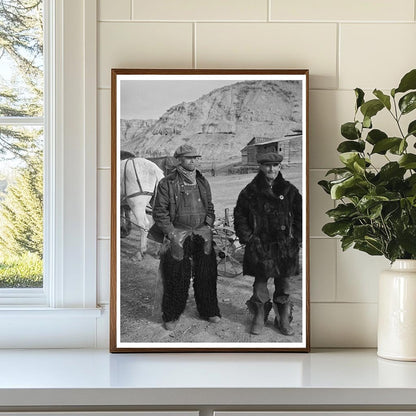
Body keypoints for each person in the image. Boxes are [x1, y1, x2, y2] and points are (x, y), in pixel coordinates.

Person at [149, 144, 221, 330]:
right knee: (176, 276)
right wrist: (171, 233)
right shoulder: (167, 183)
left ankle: (209, 310)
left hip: (202, 231)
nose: (193, 161)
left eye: (195, 158)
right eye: (189, 158)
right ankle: (171, 315)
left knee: (207, 274)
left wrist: (209, 223)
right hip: (178, 233)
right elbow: (159, 212)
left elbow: (210, 206)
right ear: (179, 160)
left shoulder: (202, 181)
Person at [233, 152, 302, 336]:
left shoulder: (289, 190)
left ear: (279, 167)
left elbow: (301, 216)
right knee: (260, 284)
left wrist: (296, 238)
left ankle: (283, 317)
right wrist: (248, 238)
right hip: (259, 246)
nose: (271, 169)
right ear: (261, 167)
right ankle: (259, 315)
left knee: (284, 284)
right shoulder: (250, 191)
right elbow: (239, 215)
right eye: (267, 165)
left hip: (284, 246)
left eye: (275, 166)